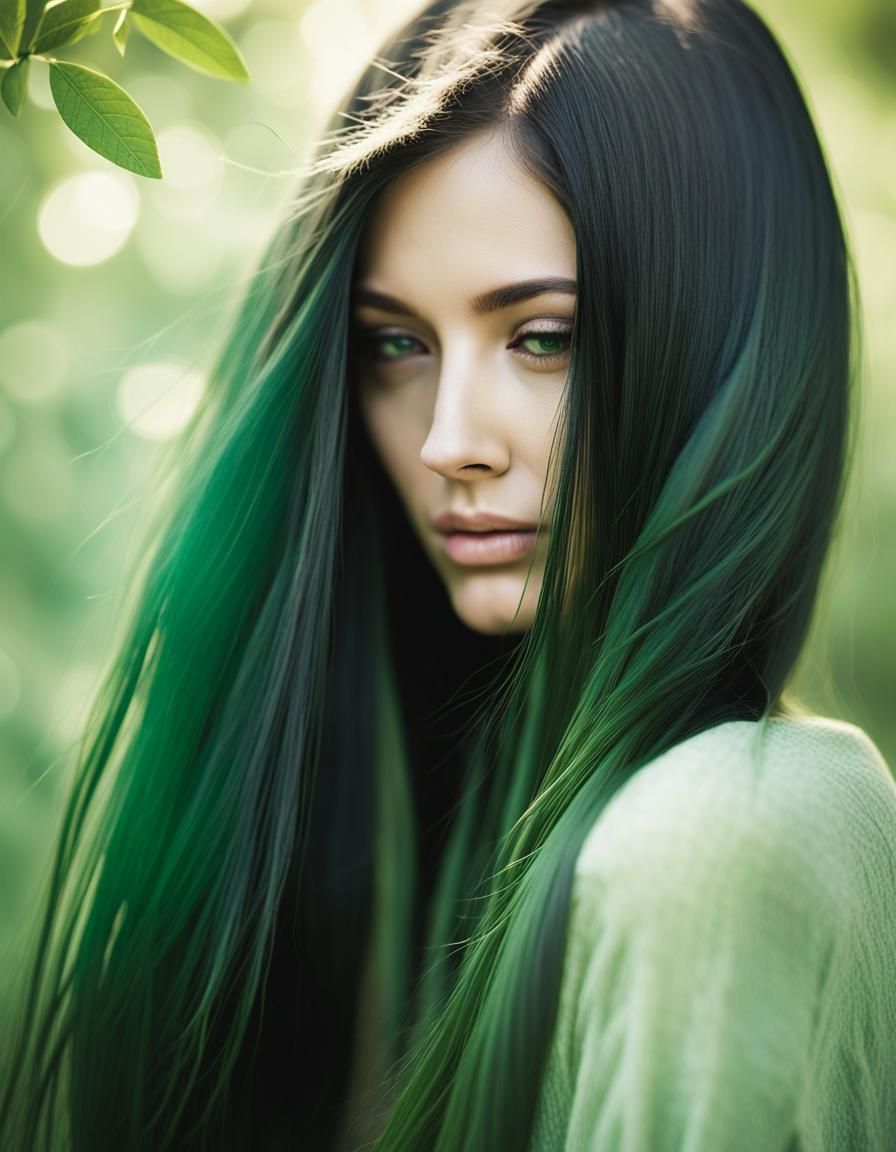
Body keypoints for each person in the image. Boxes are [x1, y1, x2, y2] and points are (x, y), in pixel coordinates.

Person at [2, 0, 895, 1148]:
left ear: (722, 343)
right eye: (395, 345)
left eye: (540, 337)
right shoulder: (404, 863)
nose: (445, 441)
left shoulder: (720, 831)